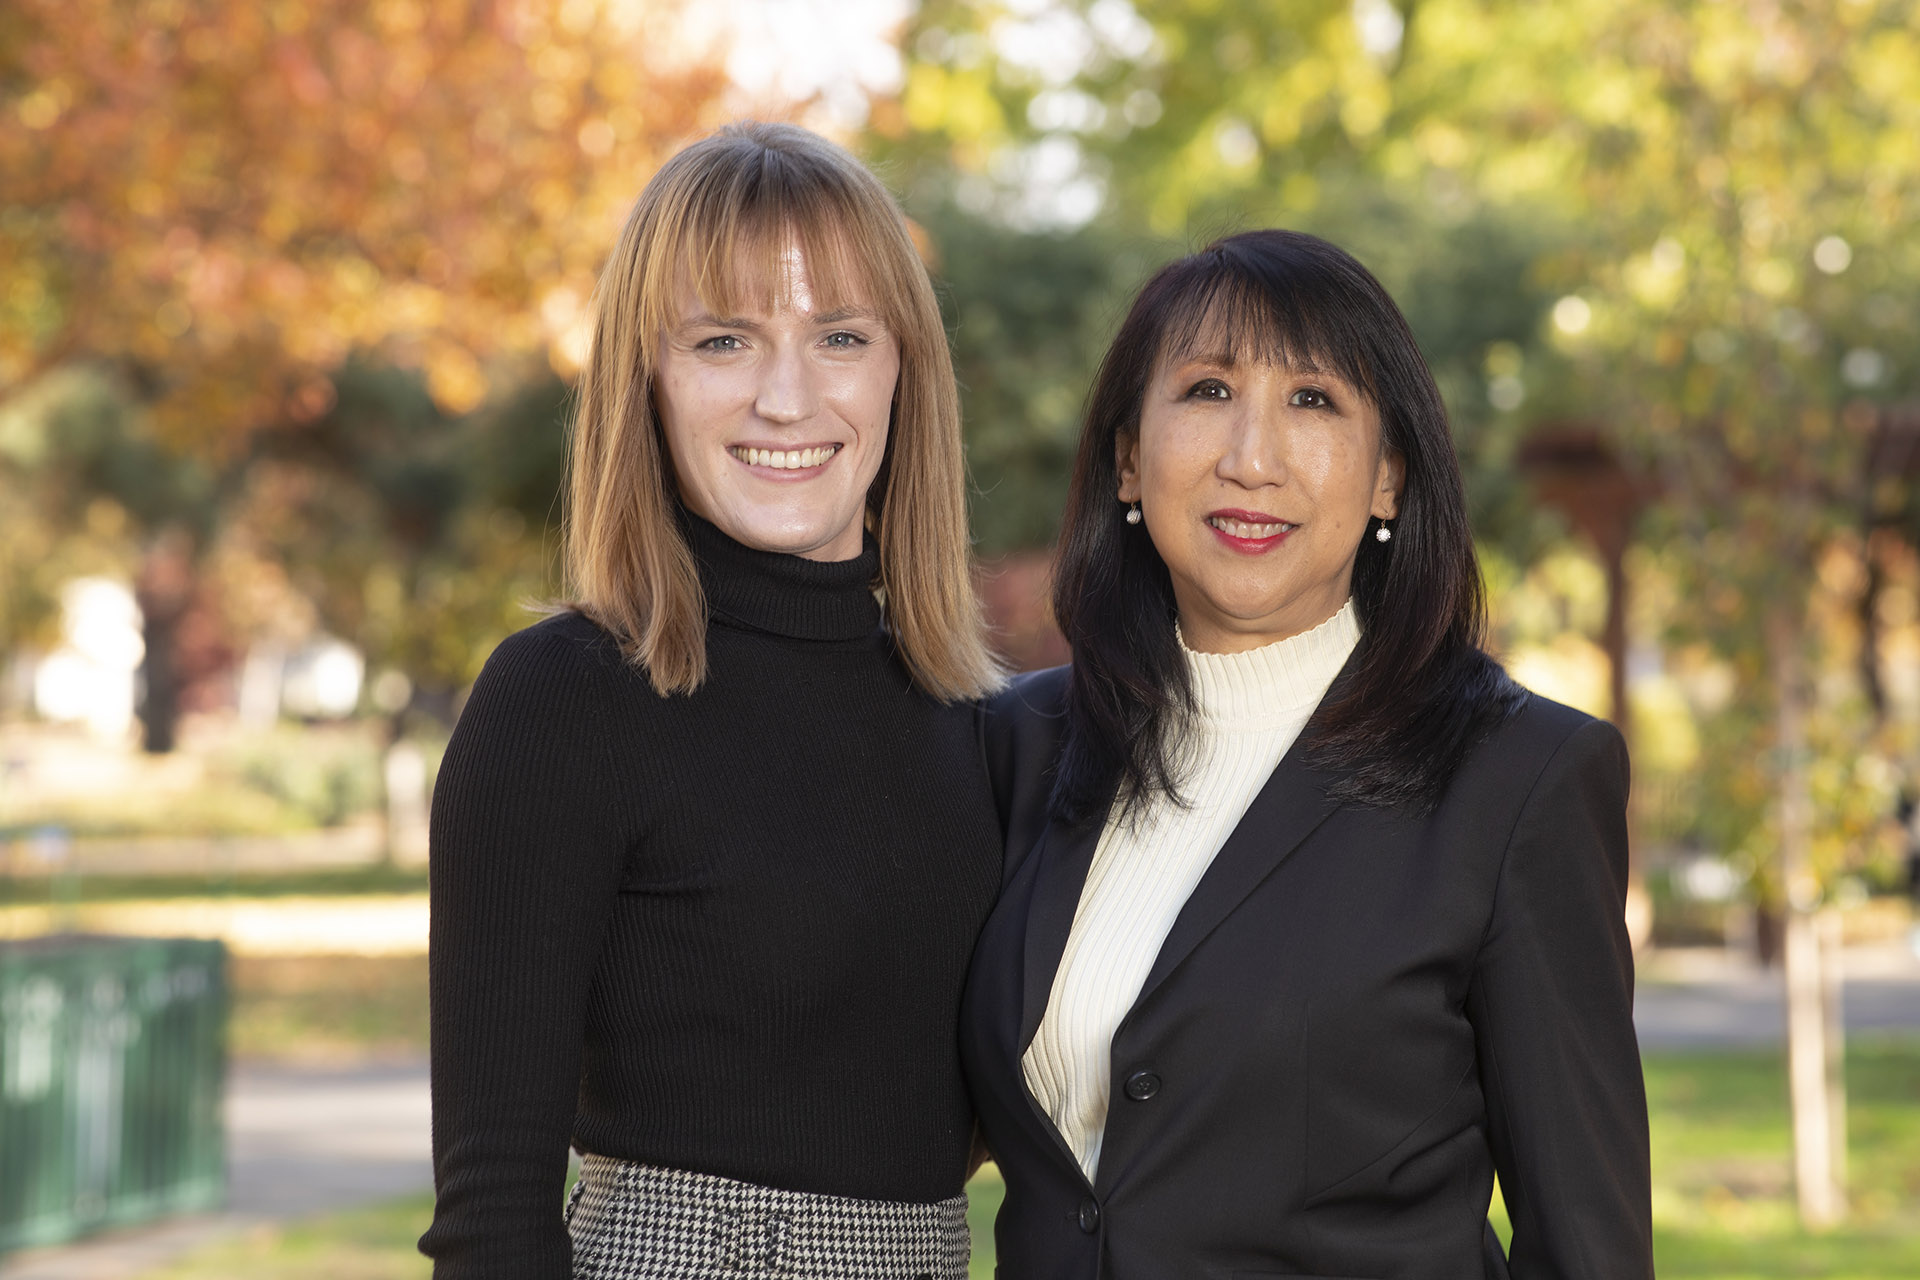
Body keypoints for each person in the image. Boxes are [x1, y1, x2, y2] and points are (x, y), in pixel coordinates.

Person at [961, 230, 1653, 1277]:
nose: (1253, 456)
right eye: (1205, 390)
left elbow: (1587, 1245)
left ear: (1388, 477)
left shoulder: (1519, 778)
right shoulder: (1016, 743)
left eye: (1314, 401)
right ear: (1128, 459)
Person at [420, 122, 1004, 1280]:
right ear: (650, 376)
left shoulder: (976, 726)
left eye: (840, 335)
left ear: (904, 370)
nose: (786, 398)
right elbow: (492, 1220)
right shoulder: (565, 701)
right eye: (724, 339)